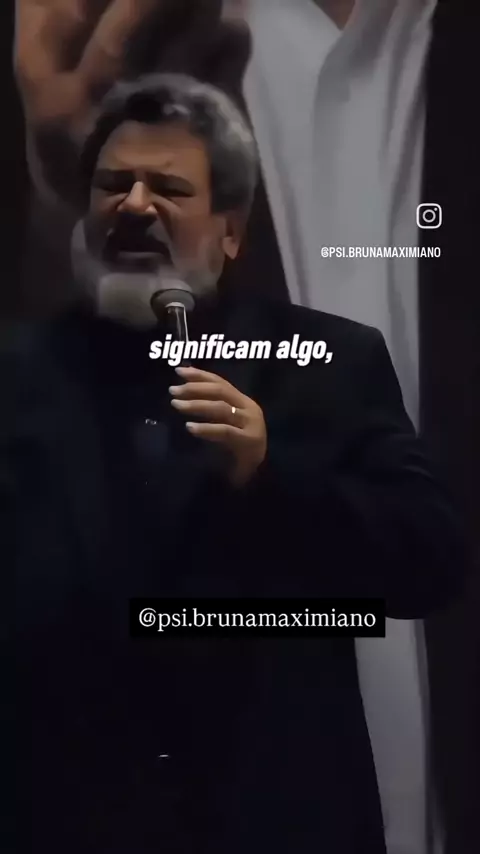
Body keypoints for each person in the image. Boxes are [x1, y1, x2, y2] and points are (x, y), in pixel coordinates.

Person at [7, 73, 469, 854]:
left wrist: (268, 470)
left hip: (274, 817)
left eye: (168, 188)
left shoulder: (329, 360)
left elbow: (429, 561)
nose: (135, 205)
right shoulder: (21, 375)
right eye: (114, 184)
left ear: (230, 230)